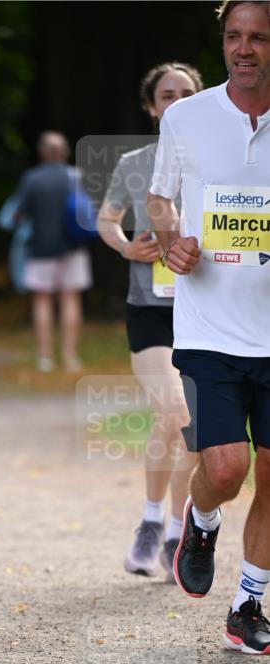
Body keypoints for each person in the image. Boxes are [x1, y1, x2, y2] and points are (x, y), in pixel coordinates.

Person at [147, 0, 270, 654]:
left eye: (257, 38)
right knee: (223, 469)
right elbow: (160, 198)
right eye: (233, 36)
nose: (243, 50)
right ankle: (199, 519)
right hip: (208, 328)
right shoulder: (187, 118)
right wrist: (171, 240)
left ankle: (247, 603)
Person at [97, 63, 203, 581]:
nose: (177, 101)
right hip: (151, 313)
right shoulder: (135, 163)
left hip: (207, 312)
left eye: (187, 93)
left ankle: (166, 528)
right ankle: (161, 526)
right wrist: (124, 248)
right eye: (167, 95)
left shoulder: (217, 158)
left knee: (188, 429)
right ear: (151, 106)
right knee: (178, 411)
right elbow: (107, 219)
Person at [15, 131, 92, 373]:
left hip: (40, 249)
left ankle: (45, 358)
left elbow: (20, 214)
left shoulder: (32, 179)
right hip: (73, 248)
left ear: (42, 152)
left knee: (42, 301)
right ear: (65, 152)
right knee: (71, 299)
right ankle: (70, 358)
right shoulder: (75, 177)